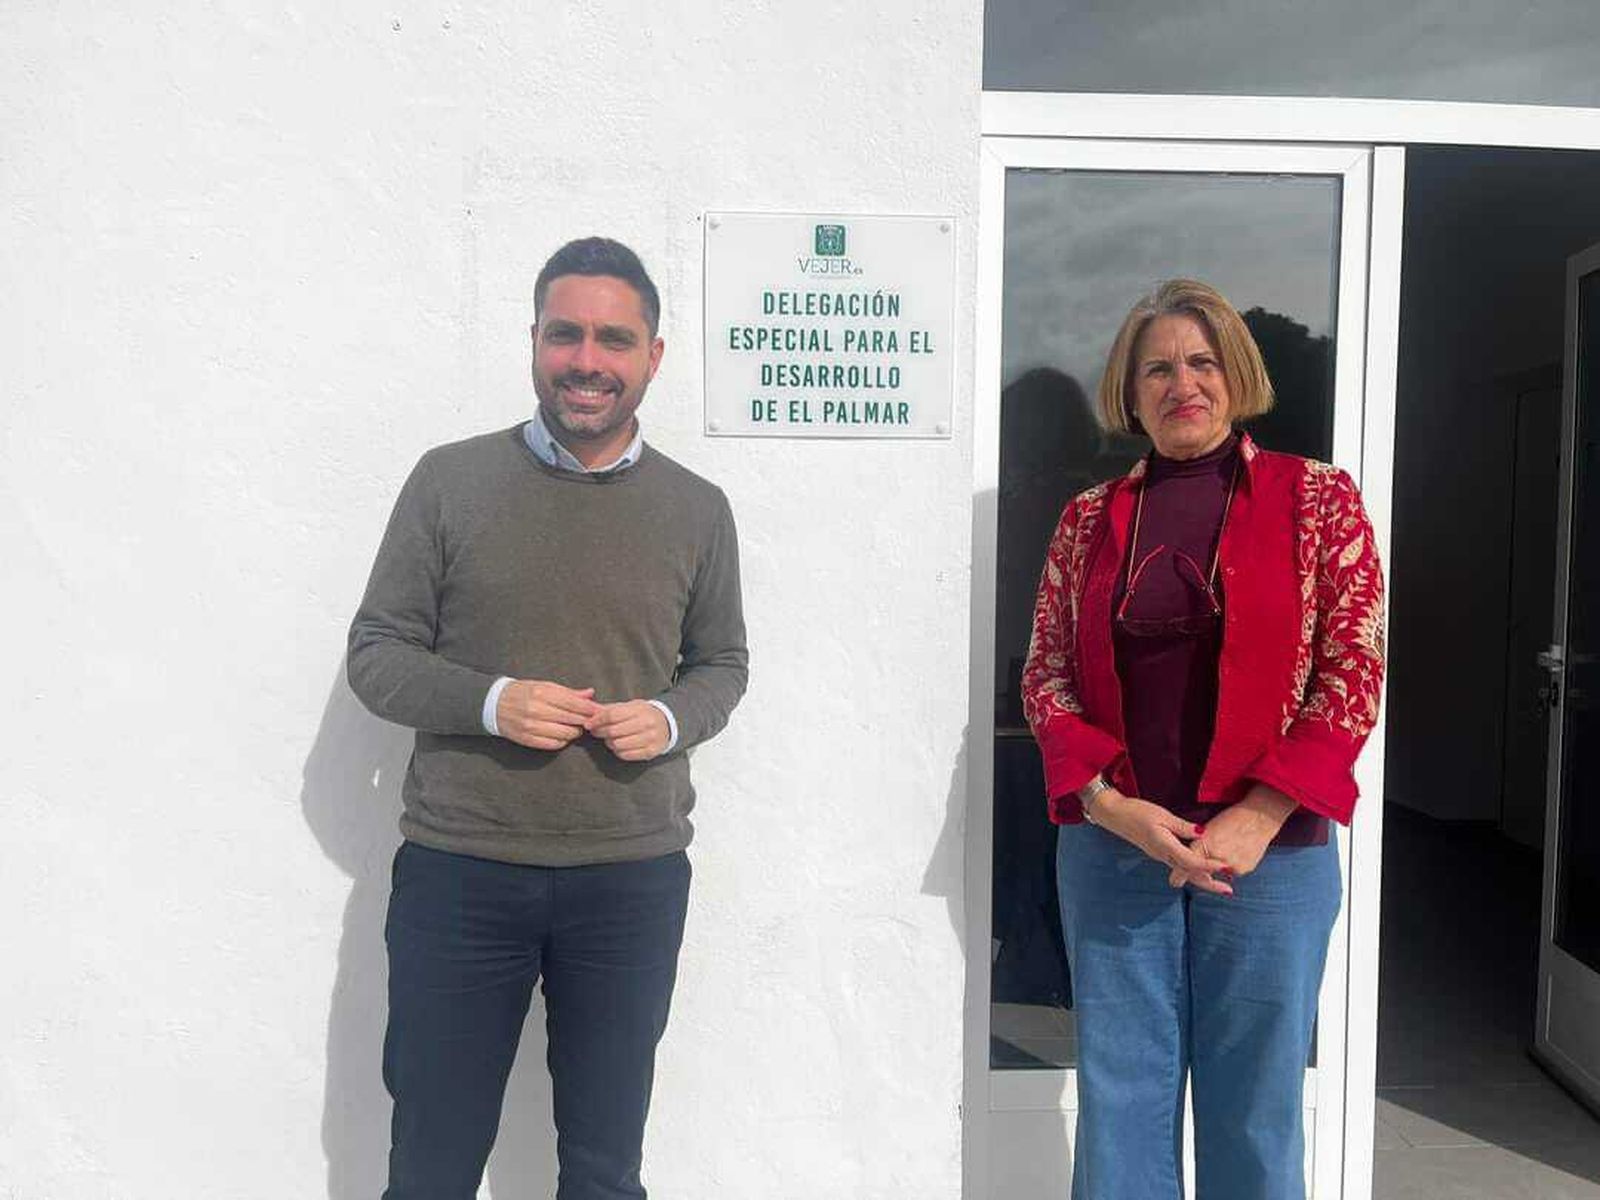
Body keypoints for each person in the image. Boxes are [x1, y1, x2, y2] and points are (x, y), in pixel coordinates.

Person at [347, 236, 748, 1200]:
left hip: (630, 879)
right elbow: (377, 654)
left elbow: (722, 666)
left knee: (606, 1172)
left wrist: (669, 716)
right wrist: (490, 702)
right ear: (534, 341)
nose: (587, 359)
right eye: (565, 333)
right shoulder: (447, 482)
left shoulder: (699, 509)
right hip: (461, 874)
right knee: (432, 1165)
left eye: (615, 338)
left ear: (655, 355)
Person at [1022, 279, 1384, 1200]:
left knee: (1255, 1104)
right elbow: (1045, 677)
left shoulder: (1319, 500)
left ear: (1235, 373)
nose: (1181, 382)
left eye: (1200, 360)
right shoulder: (1085, 521)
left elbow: (1355, 665)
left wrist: (1261, 813)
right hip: (1115, 849)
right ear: (1130, 392)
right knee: (1121, 1098)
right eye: (1156, 368)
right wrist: (1107, 805)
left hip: (1271, 855)